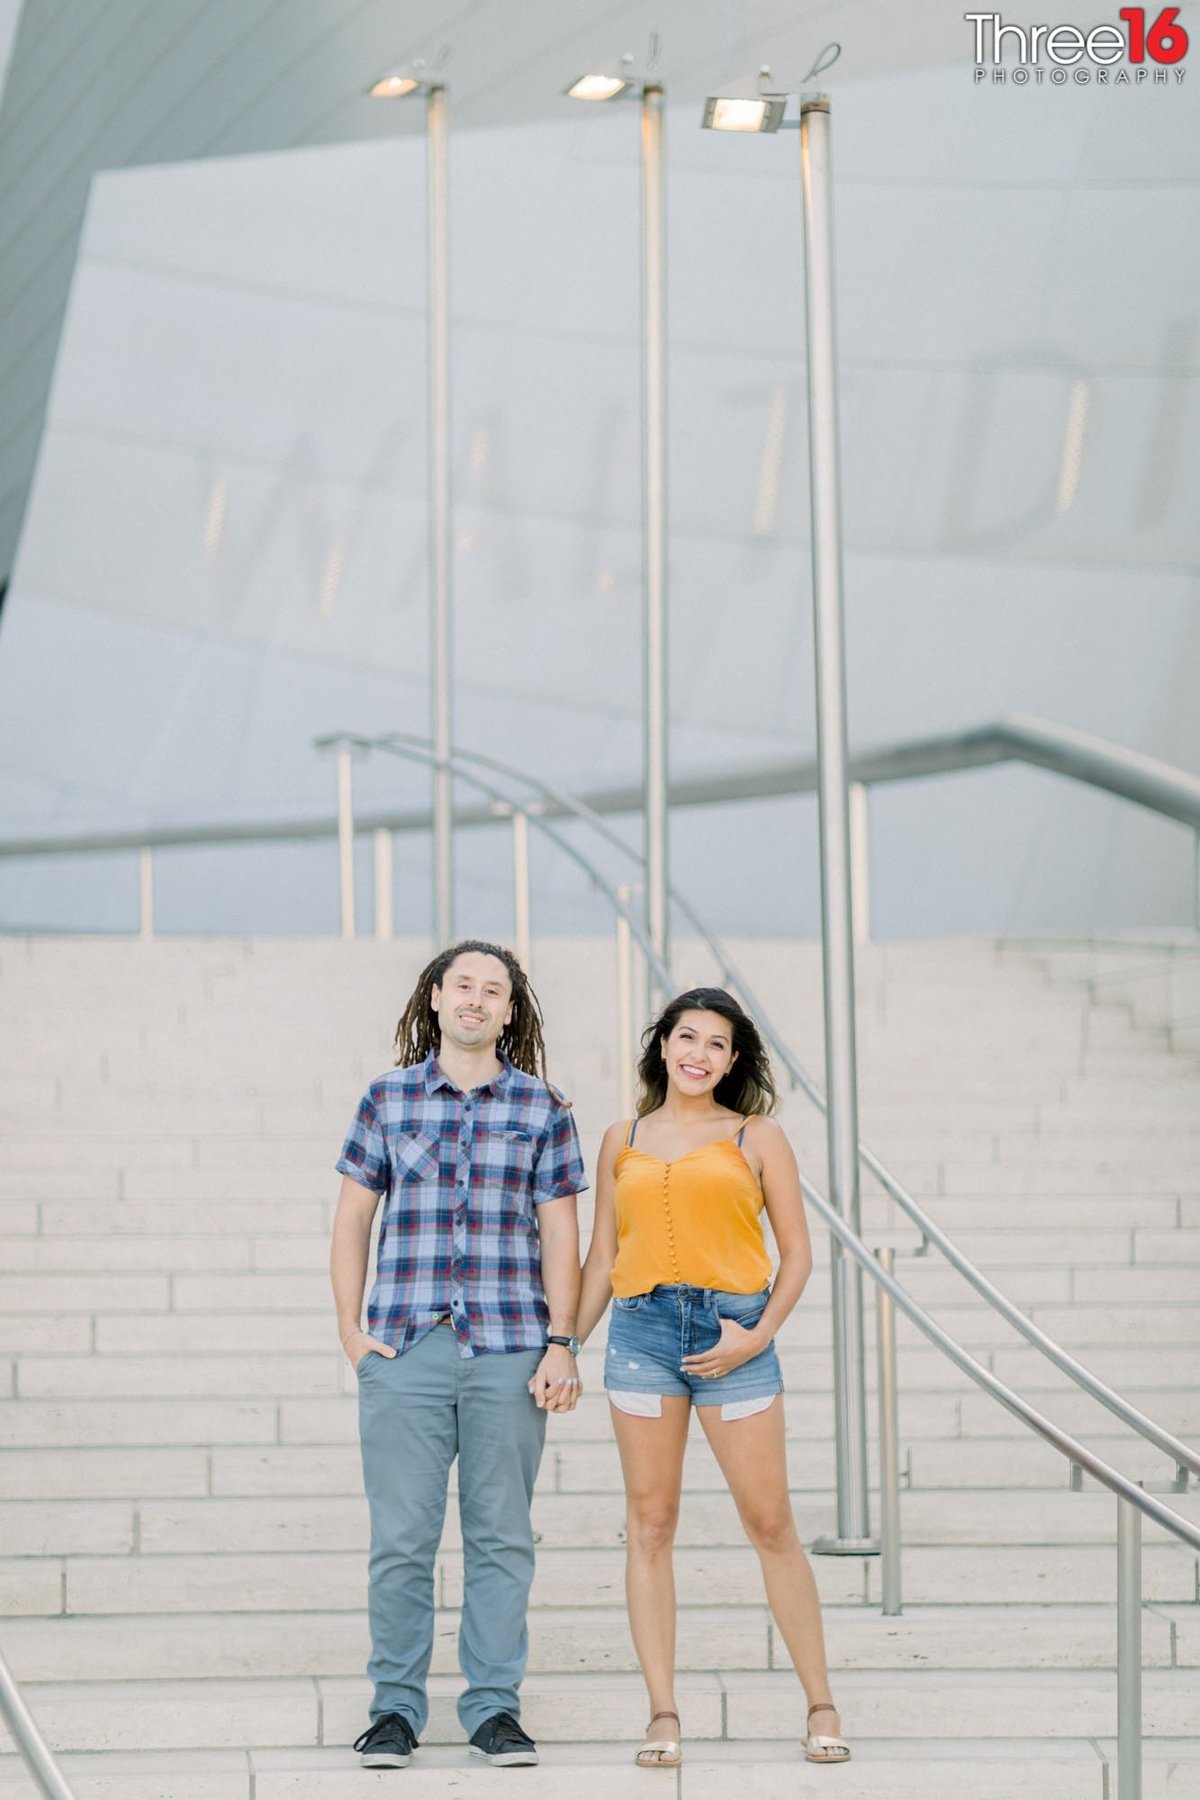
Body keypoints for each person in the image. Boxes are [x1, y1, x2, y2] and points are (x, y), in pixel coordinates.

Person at [576, 986, 850, 1769]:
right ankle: (663, 1712)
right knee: (651, 1524)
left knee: (771, 1523)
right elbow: (602, 1256)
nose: (698, 1053)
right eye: (685, 1036)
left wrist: (755, 1335)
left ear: (734, 1060)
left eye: (716, 1044)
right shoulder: (620, 1136)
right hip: (642, 1338)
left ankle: (821, 1703)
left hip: (736, 1338)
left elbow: (797, 1253)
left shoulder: (757, 1136)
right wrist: (565, 1343)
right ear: (662, 1045)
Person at [331, 939, 586, 1771]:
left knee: (502, 1538)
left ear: (511, 1011)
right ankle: (396, 1709)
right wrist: (349, 1328)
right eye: (463, 985)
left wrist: (562, 1343)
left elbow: (561, 1237)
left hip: (511, 1349)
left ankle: (492, 1708)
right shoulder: (387, 1099)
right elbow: (352, 1219)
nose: (477, 999)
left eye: (494, 990)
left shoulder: (544, 1110)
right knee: (402, 1539)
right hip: (404, 1347)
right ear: (435, 998)